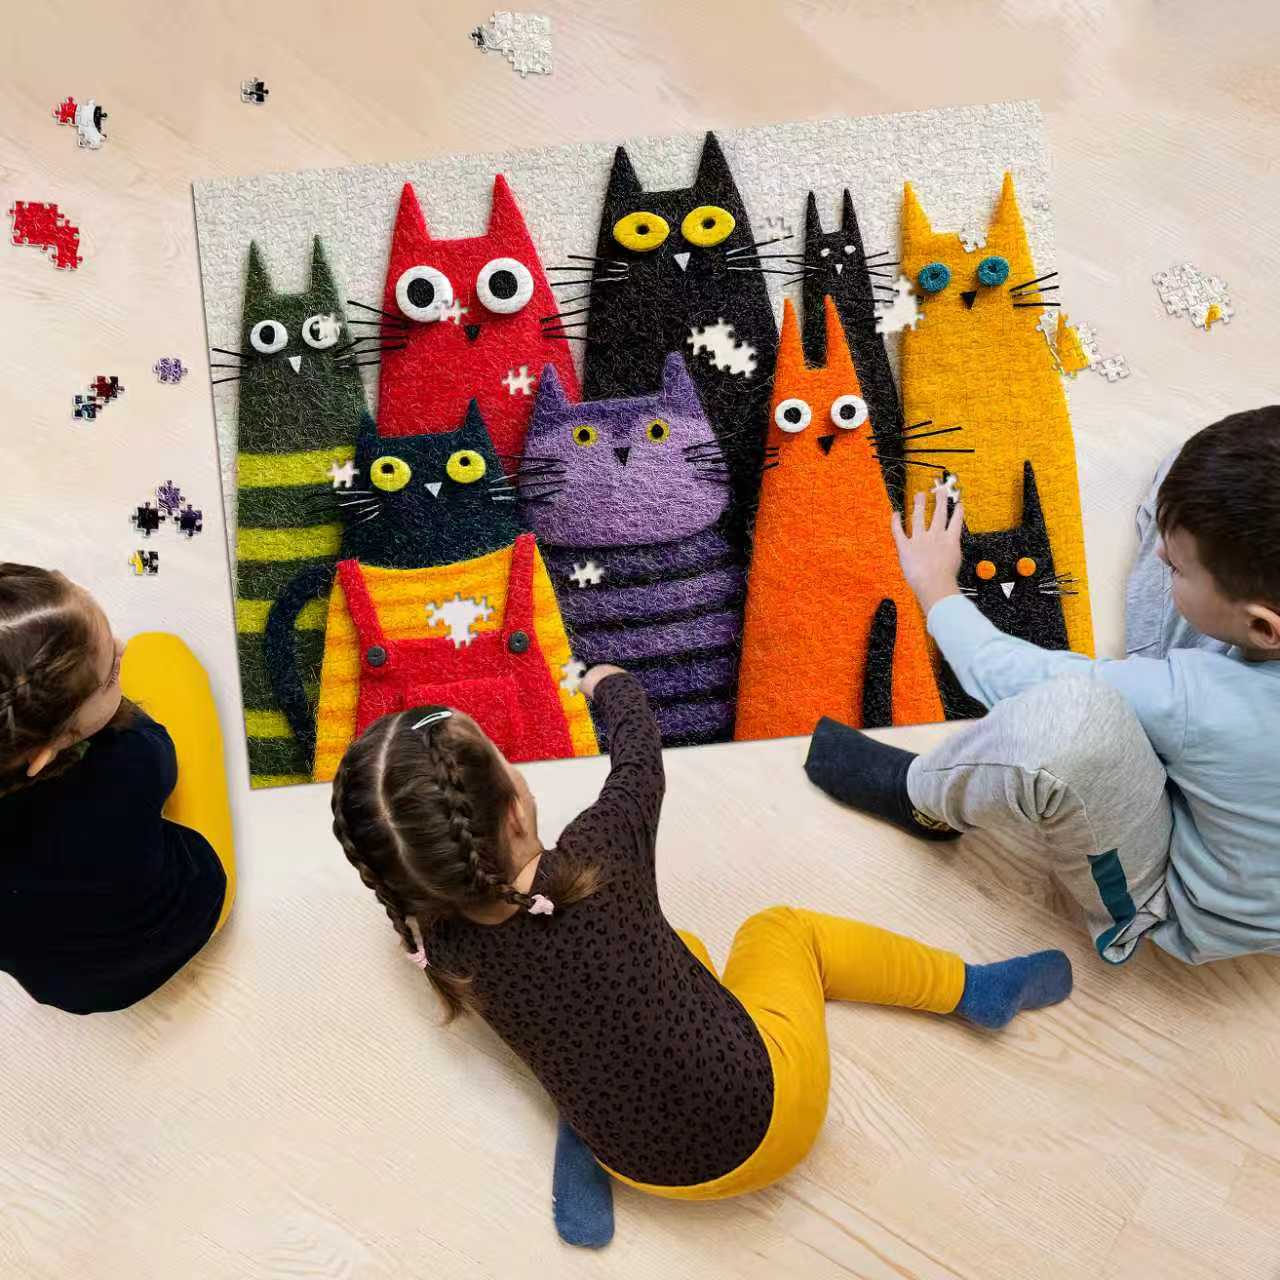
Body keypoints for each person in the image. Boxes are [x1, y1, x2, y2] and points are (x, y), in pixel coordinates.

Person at [329, 663, 1071, 1241]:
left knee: (654, 967)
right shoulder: (599, 857)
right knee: (781, 930)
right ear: (517, 807)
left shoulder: (435, 943)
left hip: (638, 1165)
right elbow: (639, 762)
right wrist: (609, 684)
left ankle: (584, 1147)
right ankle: (972, 989)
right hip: (772, 1118)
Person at [805, 407, 1280, 965]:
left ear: (1262, 628)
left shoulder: (1198, 701)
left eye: (1174, 569)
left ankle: (922, 798)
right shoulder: (1217, 688)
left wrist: (935, 585)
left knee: (1072, 722)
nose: (1159, 556)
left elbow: (1003, 673)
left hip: (1186, 905)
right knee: (1194, 480)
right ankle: (1161, 677)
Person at [0, 564, 235, 1014]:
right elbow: (156, 753)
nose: (121, 647)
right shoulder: (129, 759)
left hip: (69, 990)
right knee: (159, 651)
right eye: (110, 674)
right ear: (44, 753)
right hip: (187, 913)